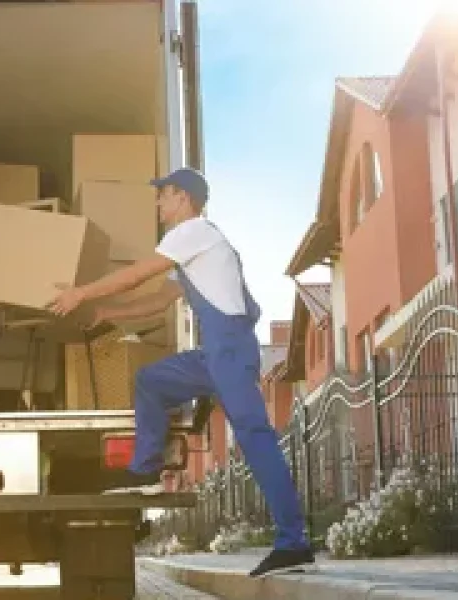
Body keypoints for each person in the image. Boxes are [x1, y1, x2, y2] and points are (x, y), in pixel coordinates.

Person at [48, 168, 315, 578]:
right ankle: (146, 468)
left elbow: (139, 274)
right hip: (214, 355)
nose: (159, 204)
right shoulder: (193, 249)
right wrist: (107, 313)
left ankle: (293, 541)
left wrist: (80, 293)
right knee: (150, 381)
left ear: (184, 199)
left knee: (256, 439)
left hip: (230, 352)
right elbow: (158, 300)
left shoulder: (195, 232)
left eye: (163, 196)